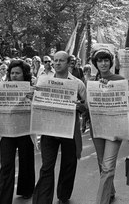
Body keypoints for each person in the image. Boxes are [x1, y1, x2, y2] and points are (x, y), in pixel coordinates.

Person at [32, 51, 87, 204]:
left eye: (61, 61)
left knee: (69, 165)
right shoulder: (44, 81)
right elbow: (38, 101)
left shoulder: (78, 83)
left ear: (69, 63)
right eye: (55, 60)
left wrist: (79, 106)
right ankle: (42, 200)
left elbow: (86, 107)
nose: (57, 63)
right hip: (49, 130)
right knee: (47, 167)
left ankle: (63, 195)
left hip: (69, 130)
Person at [0, 60, 35, 204]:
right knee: (6, 165)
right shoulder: (0, 87)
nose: (14, 75)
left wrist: (33, 99)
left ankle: (26, 190)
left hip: (26, 131)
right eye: (12, 73)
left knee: (26, 161)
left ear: (25, 74)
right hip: (7, 131)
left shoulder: (32, 89)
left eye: (18, 73)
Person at [89, 49, 125, 204]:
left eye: (106, 60)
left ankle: (101, 201)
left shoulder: (119, 79)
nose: (103, 63)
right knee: (101, 162)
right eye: (99, 61)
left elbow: (126, 105)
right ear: (95, 64)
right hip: (97, 128)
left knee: (108, 166)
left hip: (115, 128)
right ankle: (110, 191)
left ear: (111, 62)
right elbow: (87, 106)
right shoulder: (92, 81)